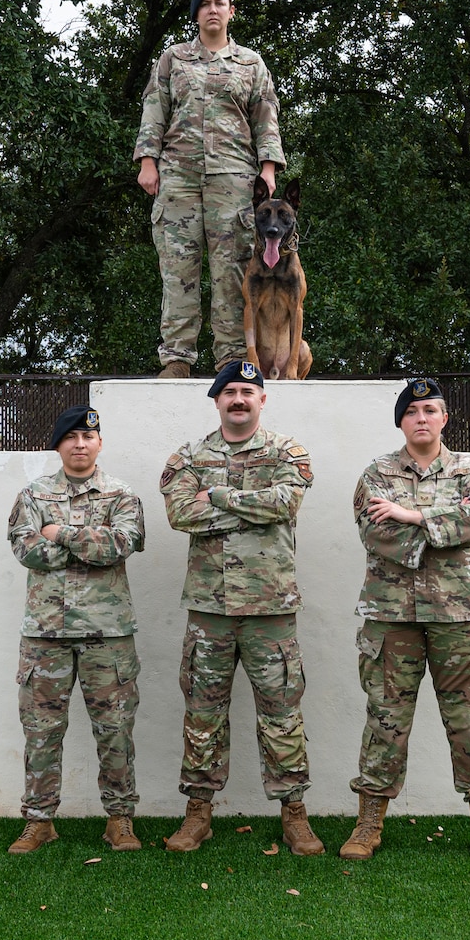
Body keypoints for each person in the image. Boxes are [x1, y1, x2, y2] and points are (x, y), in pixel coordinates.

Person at [341, 378, 470, 865]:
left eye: (431, 410)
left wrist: (411, 515)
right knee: (385, 721)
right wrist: (440, 528)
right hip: (392, 618)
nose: (422, 418)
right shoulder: (376, 474)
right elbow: (376, 533)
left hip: (460, 617)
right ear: (401, 421)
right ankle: (369, 823)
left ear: (444, 419)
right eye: (413, 410)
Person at [158, 360, 322, 855]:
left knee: (282, 715)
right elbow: (181, 513)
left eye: (248, 391)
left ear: (262, 399)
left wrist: (221, 495)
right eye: (229, 391)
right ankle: (198, 813)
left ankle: (294, 813)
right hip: (209, 610)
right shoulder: (187, 456)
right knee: (203, 714)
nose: (238, 399)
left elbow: (285, 505)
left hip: (270, 608)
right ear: (216, 400)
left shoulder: (287, 451)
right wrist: (252, 508)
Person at [4, 405, 147, 854]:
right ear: (59, 444)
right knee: (41, 731)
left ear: (99, 442)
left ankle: (119, 820)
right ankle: (39, 821)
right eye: (71, 437)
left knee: (115, 729)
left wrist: (60, 533)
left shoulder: (121, 494)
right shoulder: (33, 494)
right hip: (46, 635)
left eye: (88, 436)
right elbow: (25, 549)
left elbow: (123, 544)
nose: (80, 444)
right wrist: (88, 543)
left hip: (108, 633)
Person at [134, 0, 286, 378]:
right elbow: (154, 109)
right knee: (178, 270)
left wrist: (269, 168)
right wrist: (147, 161)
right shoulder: (173, 59)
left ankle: (232, 360)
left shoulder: (251, 63)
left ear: (231, 11)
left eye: (221, 3)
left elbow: (265, 114)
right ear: (197, 14)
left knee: (231, 270)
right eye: (206, 4)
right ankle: (178, 359)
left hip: (234, 180)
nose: (213, 9)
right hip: (178, 178)